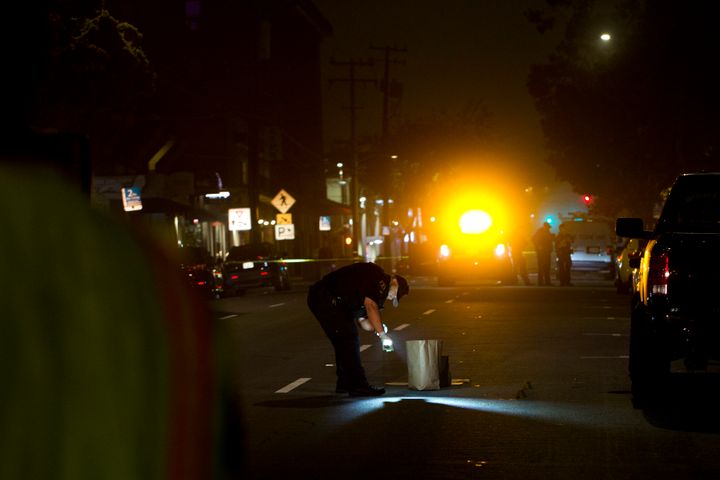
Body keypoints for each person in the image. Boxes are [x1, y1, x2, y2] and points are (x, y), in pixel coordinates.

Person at [307, 262, 409, 397]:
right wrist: (382, 334)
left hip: (329, 300)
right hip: (325, 297)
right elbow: (370, 306)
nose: (391, 298)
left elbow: (363, 322)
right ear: (395, 283)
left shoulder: (372, 289)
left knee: (343, 340)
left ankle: (344, 383)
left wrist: (378, 329)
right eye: (394, 295)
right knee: (349, 339)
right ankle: (358, 386)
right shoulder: (379, 279)